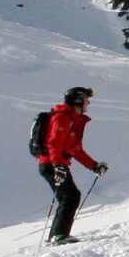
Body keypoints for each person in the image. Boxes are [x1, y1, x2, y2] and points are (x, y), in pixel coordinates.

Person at [37, 86, 108, 245]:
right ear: (78, 100)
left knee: (68, 196)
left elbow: (75, 150)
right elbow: (53, 143)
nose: (88, 103)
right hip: (52, 164)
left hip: (55, 164)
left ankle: (56, 236)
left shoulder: (72, 120)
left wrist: (94, 166)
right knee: (70, 196)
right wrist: (58, 166)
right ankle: (58, 236)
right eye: (86, 100)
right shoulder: (63, 118)